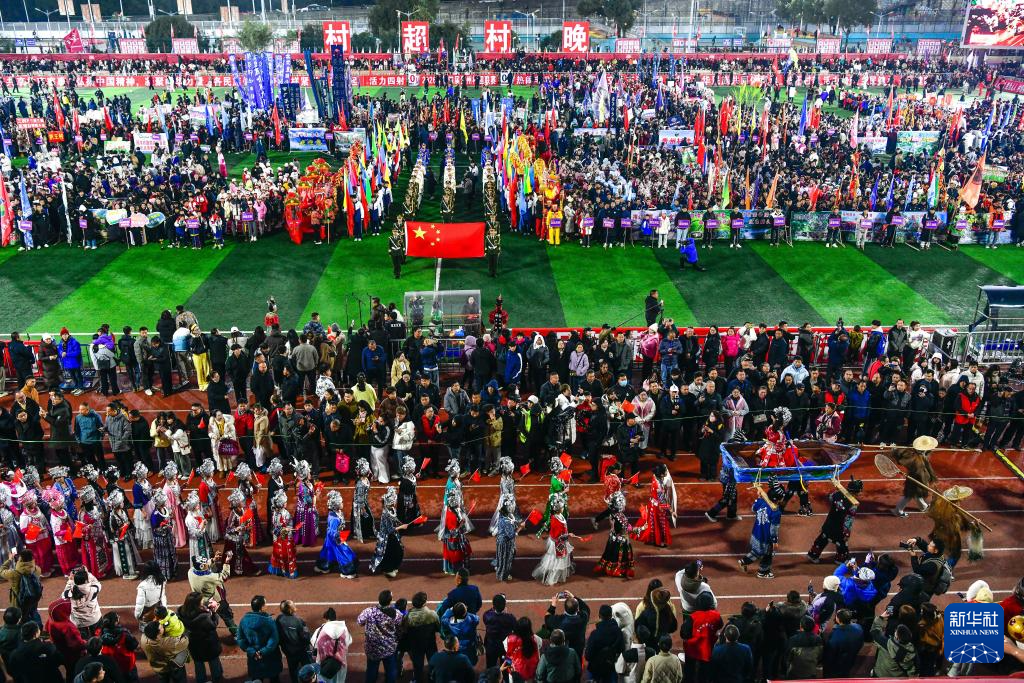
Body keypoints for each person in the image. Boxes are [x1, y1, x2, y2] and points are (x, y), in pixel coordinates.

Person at [738, 478, 784, 579]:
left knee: (756, 551)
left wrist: (759, 498)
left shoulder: (762, 501)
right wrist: (775, 541)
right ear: (777, 499)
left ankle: (744, 561)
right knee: (768, 554)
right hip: (765, 538)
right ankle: (763, 572)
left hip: (756, 533)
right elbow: (773, 529)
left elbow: (753, 508)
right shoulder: (776, 512)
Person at [357, 590, 404, 683]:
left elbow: (359, 621)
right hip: (389, 648)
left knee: (371, 670)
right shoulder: (397, 614)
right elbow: (400, 628)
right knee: (391, 671)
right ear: (390, 601)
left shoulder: (369, 611)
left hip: (372, 648)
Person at [177, 591, 224, 683]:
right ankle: (217, 678)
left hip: (193, 644)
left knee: (198, 664)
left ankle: (201, 680)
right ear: (197, 604)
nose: (203, 602)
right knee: (214, 662)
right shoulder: (204, 617)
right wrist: (214, 612)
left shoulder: (182, 612)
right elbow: (213, 624)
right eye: (201, 601)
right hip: (208, 644)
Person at [236, 595, 283, 683]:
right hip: (271, 658)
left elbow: (240, 640)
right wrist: (262, 652)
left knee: (256, 680)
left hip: (254, 659)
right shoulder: (269, 621)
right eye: (265, 604)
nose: (267, 605)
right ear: (262, 607)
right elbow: (274, 641)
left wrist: (253, 652)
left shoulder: (243, 620)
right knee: (274, 679)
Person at [585, 604, 625, 683]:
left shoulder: (595, 634)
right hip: (610, 667)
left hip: (596, 669)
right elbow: (621, 649)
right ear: (611, 616)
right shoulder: (618, 632)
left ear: (599, 616)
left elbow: (588, 656)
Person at [277, 600, 312, 683]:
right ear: (291, 609)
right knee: (307, 670)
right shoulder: (298, 621)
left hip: (288, 651)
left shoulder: (279, 619)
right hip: (301, 651)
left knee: (293, 670)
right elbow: (306, 637)